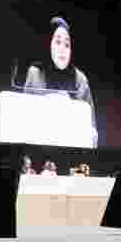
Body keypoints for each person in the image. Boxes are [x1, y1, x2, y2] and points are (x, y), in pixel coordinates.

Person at [24, 16, 98, 146]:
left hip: (73, 149)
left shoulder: (80, 79)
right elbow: (25, 119)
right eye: (57, 42)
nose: (63, 49)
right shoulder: (35, 73)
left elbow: (91, 127)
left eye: (67, 44)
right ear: (48, 44)